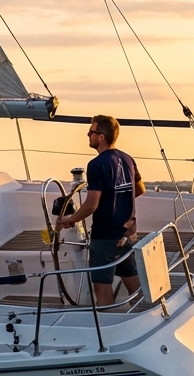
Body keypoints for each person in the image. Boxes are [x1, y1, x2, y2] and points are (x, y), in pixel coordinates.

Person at [58, 115, 145, 306]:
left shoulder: (96, 165)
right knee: (131, 278)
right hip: (126, 233)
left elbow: (91, 204)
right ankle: (144, 313)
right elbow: (140, 189)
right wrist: (118, 201)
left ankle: (108, 330)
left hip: (105, 237)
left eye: (92, 131)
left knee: (101, 286)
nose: (88, 134)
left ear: (102, 136)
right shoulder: (127, 159)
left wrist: (71, 219)